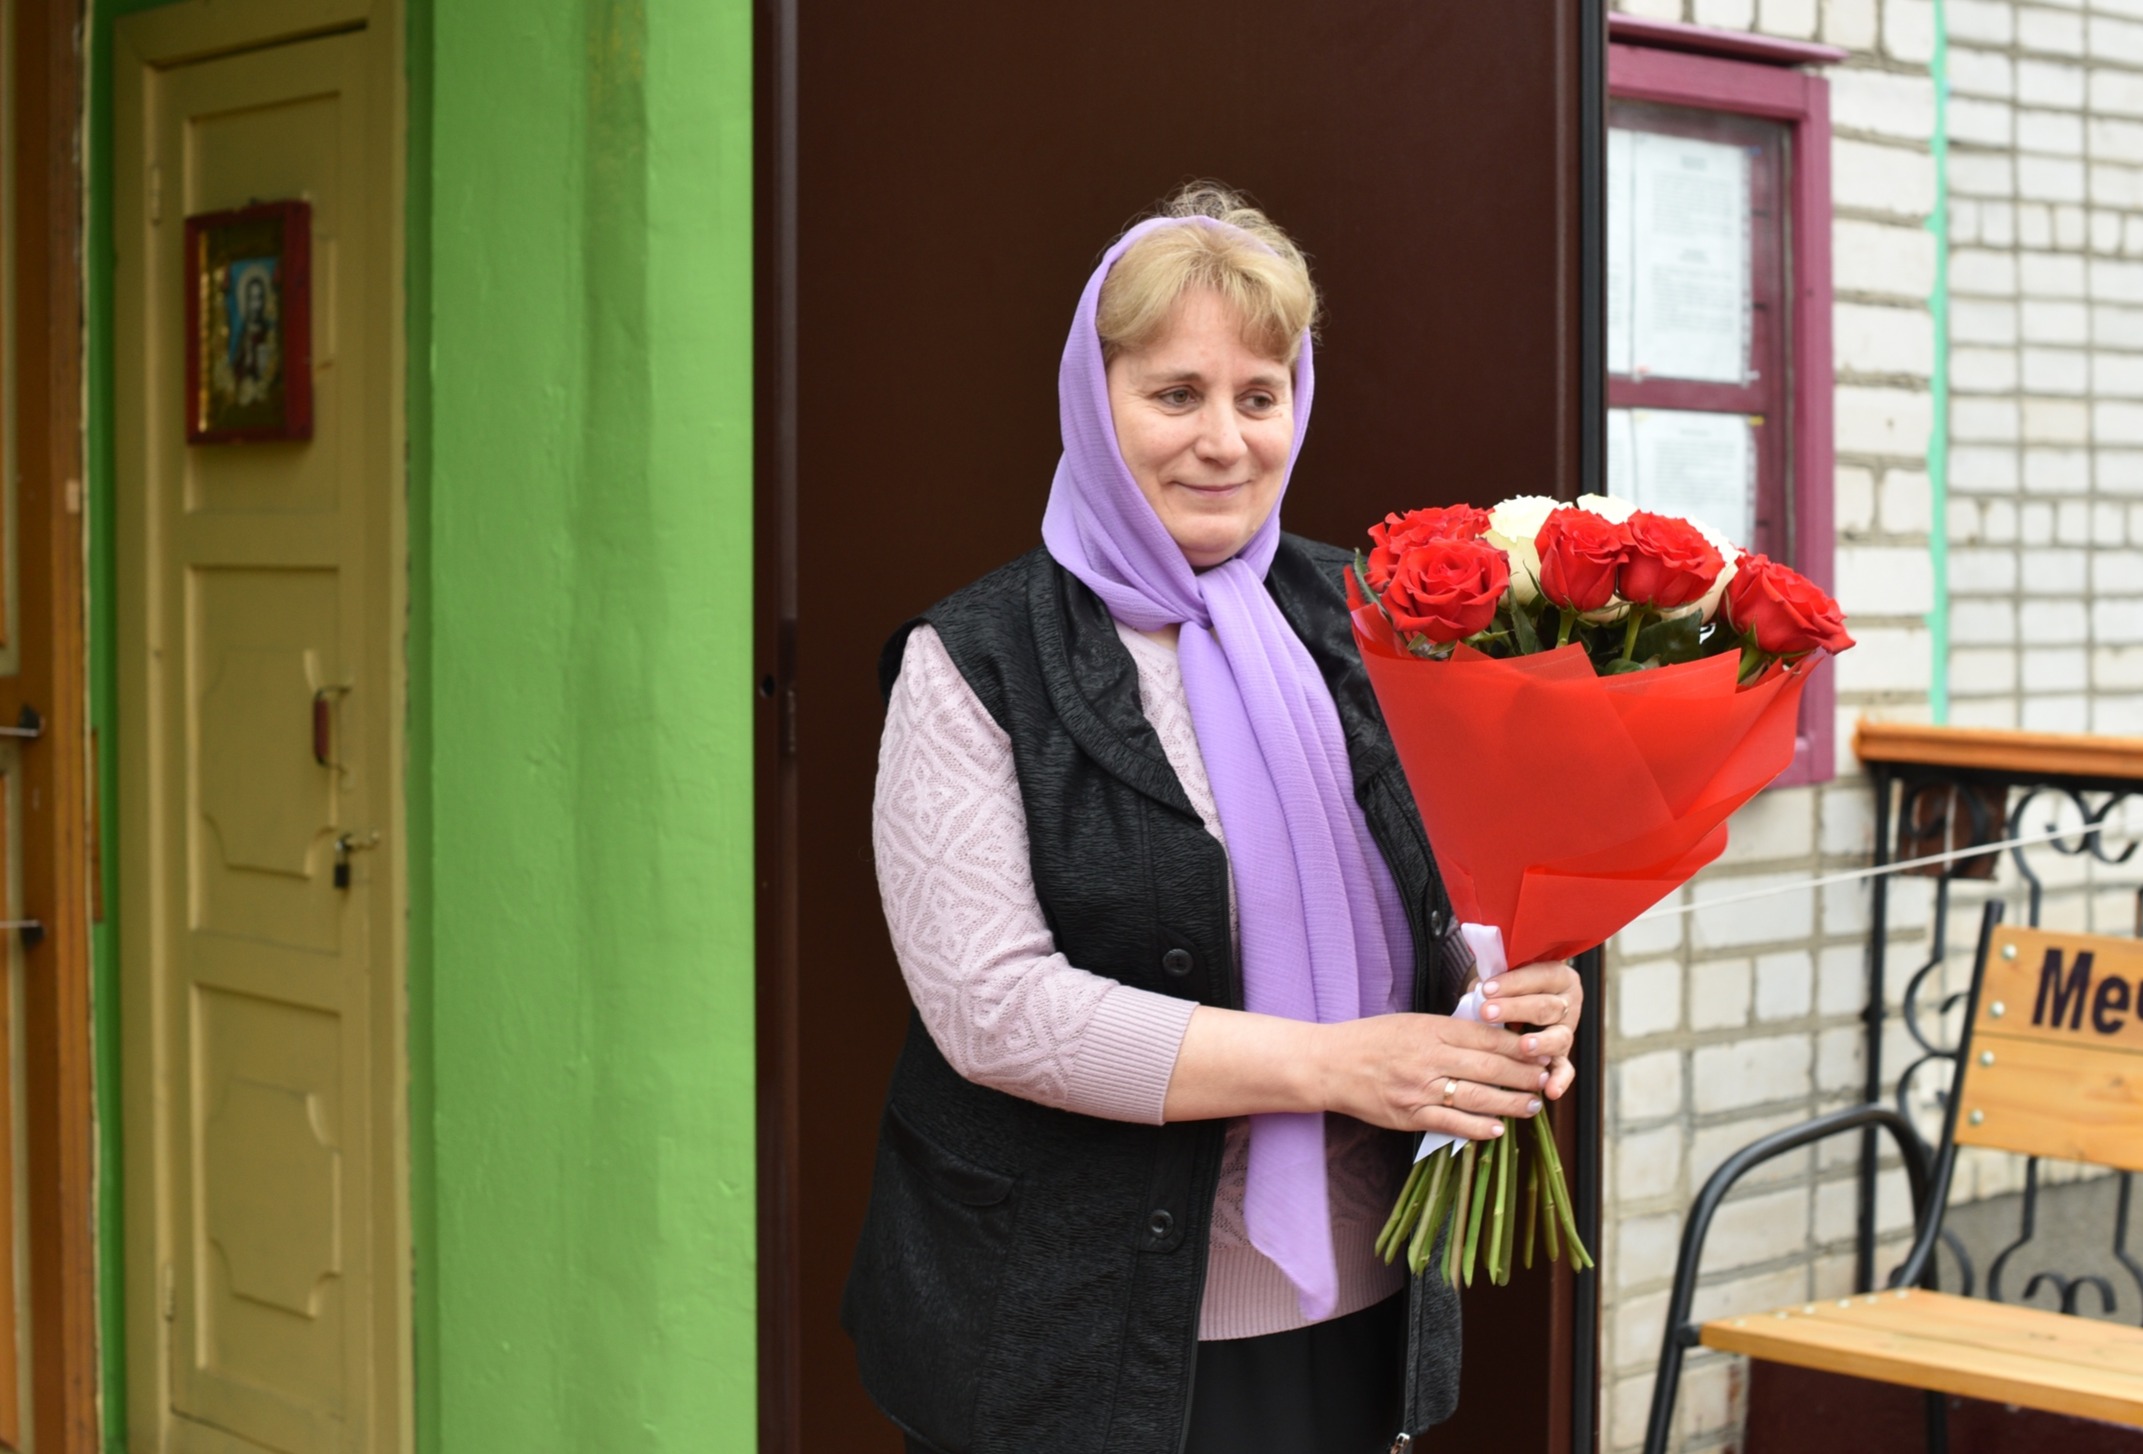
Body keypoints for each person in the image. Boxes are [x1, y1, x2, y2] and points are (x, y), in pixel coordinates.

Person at [847, 184, 1585, 1454]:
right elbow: (993, 1005)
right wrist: (1336, 1062)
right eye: (1175, 394)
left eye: (1261, 394)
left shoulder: (1372, 611)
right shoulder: (974, 659)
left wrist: (1514, 995)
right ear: (1095, 400)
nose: (1226, 441)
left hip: (1357, 1307)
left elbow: (1450, 892)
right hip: (1070, 1335)